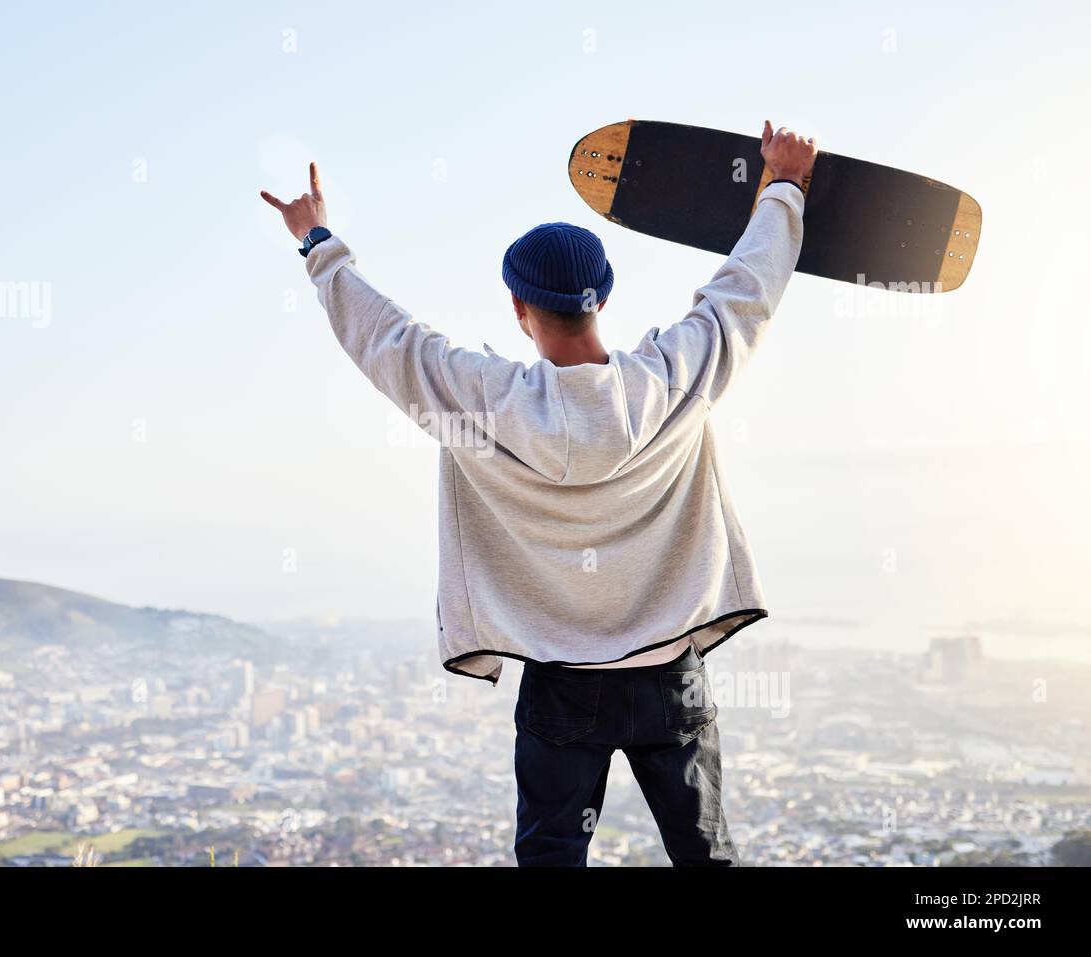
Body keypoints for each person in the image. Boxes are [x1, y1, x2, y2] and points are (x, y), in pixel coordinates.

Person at [261, 120, 818, 866]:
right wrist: (782, 188)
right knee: (706, 854)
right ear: (603, 299)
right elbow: (743, 296)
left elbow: (384, 338)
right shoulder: (671, 381)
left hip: (561, 683)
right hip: (670, 674)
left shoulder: (478, 403)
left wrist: (316, 240)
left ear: (519, 309)